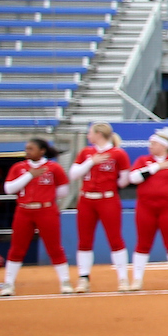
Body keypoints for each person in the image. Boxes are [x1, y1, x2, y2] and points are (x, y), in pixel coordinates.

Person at [0, 138, 72, 297]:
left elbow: (63, 190)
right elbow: (9, 188)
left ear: (42, 151)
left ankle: (65, 281)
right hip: (24, 211)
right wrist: (30, 175)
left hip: (46, 210)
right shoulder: (19, 167)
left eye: (31, 148)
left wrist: (47, 198)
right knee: (17, 248)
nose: (27, 151)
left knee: (54, 247)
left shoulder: (53, 168)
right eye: (27, 148)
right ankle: (9, 284)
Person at [120, 135, 168, 291]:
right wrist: (156, 167)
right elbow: (134, 178)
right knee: (143, 242)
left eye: (154, 143)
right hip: (146, 206)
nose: (150, 146)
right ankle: (137, 279)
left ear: (163, 146)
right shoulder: (143, 161)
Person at [68, 123, 129, 292]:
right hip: (87, 200)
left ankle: (123, 278)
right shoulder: (86, 153)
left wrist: (108, 187)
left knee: (115, 238)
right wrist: (91, 162)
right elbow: (73, 174)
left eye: (90, 133)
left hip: (108, 199)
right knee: (84, 239)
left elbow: (124, 179)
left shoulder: (118, 154)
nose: (88, 136)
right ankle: (83, 277)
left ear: (99, 134)